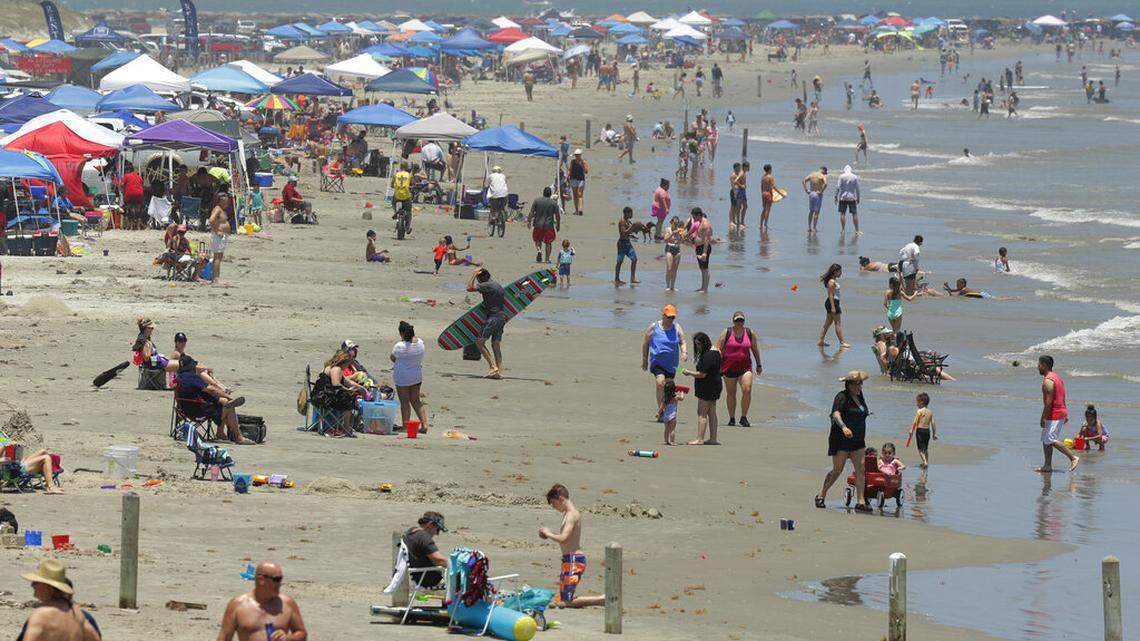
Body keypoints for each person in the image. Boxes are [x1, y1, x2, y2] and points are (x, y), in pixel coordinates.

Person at [167, 333, 251, 444]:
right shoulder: (192, 377)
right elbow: (212, 390)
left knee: (224, 402)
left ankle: (221, 432)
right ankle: (238, 437)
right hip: (197, 410)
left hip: (185, 407)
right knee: (228, 406)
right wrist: (229, 397)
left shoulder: (182, 378)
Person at [540, 484, 605, 607]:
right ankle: (600, 600)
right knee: (563, 599)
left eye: (554, 503)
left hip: (574, 560)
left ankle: (601, 600)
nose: (554, 507)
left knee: (566, 602)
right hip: (568, 560)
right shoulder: (568, 514)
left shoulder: (571, 515)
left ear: (560, 499)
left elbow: (564, 538)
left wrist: (548, 534)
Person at [817, 371, 872, 511]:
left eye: (861, 383)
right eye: (858, 384)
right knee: (837, 470)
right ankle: (821, 495)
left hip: (858, 439)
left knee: (861, 469)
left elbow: (861, 412)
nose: (860, 387)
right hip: (841, 438)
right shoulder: (841, 397)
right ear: (849, 385)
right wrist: (844, 427)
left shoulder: (860, 396)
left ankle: (860, 501)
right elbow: (836, 414)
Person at [217, 561, 307, 641]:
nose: (280, 583)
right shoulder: (238, 605)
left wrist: (288, 638)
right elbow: (224, 637)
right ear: (261, 580)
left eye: (281, 579)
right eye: (276, 579)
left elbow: (302, 634)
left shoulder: (287, 603)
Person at [18, 559, 102, 641]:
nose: (32, 585)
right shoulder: (78, 614)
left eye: (36, 582)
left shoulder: (41, 615)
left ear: (47, 586)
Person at [717, 312, 762, 428]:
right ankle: (732, 418)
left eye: (741, 320)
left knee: (747, 390)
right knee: (731, 393)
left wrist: (759, 364)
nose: (739, 322)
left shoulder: (749, 333)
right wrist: (716, 364)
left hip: (745, 367)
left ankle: (743, 417)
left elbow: (755, 349)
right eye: (737, 320)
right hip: (728, 367)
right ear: (733, 321)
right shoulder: (726, 332)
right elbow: (718, 348)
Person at [642, 305, 687, 417]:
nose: (670, 319)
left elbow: (682, 341)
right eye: (668, 317)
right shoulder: (654, 326)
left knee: (668, 388)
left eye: (672, 317)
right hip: (657, 362)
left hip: (671, 364)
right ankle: (661, 411)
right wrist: (644, 360)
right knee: (660, 383)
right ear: (663, 315)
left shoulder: (677, 327)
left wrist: (684, 352)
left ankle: (665, 411)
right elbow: (645, 342)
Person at [1037, 355, 1079, 473]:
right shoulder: (1057, 378)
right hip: (1059, 411)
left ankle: (1073, 457)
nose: (1037, 367)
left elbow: (1048, 403)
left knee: (1050, 438)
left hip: (1054, 412)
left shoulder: (1048, 381)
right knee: (1045, 439)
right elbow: (1062, 396)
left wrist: (1042, 418)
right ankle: (1047, 465)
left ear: (1044, 365)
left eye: (1039, 365)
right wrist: (1065, 413)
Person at [682, 332, 721, 445]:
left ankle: (700, 439)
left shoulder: (708, 355)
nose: (697, 346)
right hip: (715, 385)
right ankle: (713, 439)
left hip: (707, 386)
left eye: (699, 344)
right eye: (696, 344)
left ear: (705, 342)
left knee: (702, 412)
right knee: (712, 411)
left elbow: (702, 374)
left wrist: (689, 372)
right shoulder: (717, 352)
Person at [467, 268, 506, 379]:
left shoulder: (486, 285)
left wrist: (474, 275)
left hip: (493, 318)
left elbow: (469, 288)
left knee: (479, 342)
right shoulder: (497, 285)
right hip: (502, 317)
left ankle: (493, 367)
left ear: (481, 278)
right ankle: (499, 371)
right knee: (496, 344)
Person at [391, 321, 427, 432]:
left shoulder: (400, 346)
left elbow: (393, 358)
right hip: (416, 375)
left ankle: (405, 426)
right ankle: (424, 425)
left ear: (402, 333)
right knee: (416, 400)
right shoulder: (420, 343)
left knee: (405, 401)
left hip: (403, 376)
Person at [402, 512, 449, 589]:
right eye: (437, 529)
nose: (437, 534)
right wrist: (457, 565)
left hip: (416, 576)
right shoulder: (424, 537)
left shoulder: (411, 532)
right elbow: (438, 560)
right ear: (430, 524)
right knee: (463, 579)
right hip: (429, 581)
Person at [818, 263, 850, 348]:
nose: (841, 273)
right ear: (835, 272)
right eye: (840, 271)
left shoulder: (833, 280)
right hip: (833, 303)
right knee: (837, 323)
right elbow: (830, 295)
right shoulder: (832, 282)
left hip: (832, 302)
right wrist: (833, 307)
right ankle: (842, 342)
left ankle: (821, 341)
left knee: (828, 323)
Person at [527, 187, 561, 263]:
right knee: (548, 242)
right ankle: (547, 259)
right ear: (550, 194)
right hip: (548, 225)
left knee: (537, 240)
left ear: (543, 193)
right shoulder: (553, 203)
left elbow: (531, 212)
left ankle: (539, 250)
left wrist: (529, 221)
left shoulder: (537, 201)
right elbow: (557, 216)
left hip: (538, 224)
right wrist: (558, 225)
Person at [207, 193, 231, 285]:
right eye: (225, 201)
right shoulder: (217, 209)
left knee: (218, 257)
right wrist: (217, 231)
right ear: (220, 200)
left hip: (221, 235)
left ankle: (215, 278)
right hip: (218, 236)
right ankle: (215, 279)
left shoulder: (221, 209)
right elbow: (211, 220)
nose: (227, 203)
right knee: (217, 257)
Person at [614, 206, 638, 285]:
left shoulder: (628, 221)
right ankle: (617, 279)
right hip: (622, 244)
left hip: (628, 243)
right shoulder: (622, 221)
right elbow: (623, 233)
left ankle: (632, 278)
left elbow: (629, 233)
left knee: (634, 259)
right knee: (619, 261)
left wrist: (632, 235)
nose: (632, 214)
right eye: (631, 213)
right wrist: (632, 227)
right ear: (627, 213)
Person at [691, 207, 712, 293]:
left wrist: (704, 253)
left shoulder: (705, 224)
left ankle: (705, 288)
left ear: (699, 215)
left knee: (705, 268)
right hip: (699, 247)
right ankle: (702, 287)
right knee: (702, 268)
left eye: (694, 217)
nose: (693, 219)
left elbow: (707, 239)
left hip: (704, 248)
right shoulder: (699, 222)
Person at [912, 392, 936, 468]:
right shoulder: (930, 412)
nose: (916, 404)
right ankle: (926, 462)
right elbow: (933, 423)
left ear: (921, 402)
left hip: (920, 430)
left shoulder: (919, 411)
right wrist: (934, 433)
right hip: (927, 431)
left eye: (917, 402)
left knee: (919, 449)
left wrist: (911, 430)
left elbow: (915, 421)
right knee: (925, 448)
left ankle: (925, 462)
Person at [834, 165, 860, 235]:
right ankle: (857, 230)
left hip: (843, 197)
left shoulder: (841, 176)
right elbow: (857, 188)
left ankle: (843, 230)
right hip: (852, 197)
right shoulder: (854, 177)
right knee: (854, 214)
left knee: (842, 213)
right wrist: (858, 197)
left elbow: (838, 187)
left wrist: (836, 196)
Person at [942, 278, 1020, 300]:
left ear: (962, 284)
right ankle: (1014, 297)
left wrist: (948, 291)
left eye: (958, 284)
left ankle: (1014, 298)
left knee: (999, 299)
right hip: (982, 293)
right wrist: (948, 287)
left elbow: (953, 296)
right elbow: (953, 291)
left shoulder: (963, 290)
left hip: (982, 295)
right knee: (998, 297)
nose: (956, 285)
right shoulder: (963, 288)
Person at [802, 166, 828, 233]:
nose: (825, 174)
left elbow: (803, 181)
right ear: (824, 171)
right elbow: (825, 184)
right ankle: (814, 228)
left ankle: (809, 227)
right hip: (817, 194)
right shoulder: (822, 176)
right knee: (816, 212)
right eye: (825, 173)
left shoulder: (812, 174)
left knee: (811, 211)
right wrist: (821, 191)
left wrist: (806, 190)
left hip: (811, 194)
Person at [658, 380, 684, 446]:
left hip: (666, 416)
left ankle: (666, 441)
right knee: (672, 429)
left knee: (666, 429)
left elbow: (661, 408)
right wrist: (682, 392)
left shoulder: (664, 398)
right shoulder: (675, 397)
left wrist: (658, 413)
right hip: (673, 416)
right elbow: (682, 398)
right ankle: (672, 441)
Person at [121, 163, 146, 230]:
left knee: (129, 209)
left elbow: (122, 185)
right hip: (139, 194)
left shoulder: (126, 176)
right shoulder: (139, 176)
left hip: (129, 194)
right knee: (138, 209)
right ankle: (138, 226)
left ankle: (131, 225)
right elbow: (142, 185)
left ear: (128, 170)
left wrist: (123, 192)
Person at [390, 162, 412, 234]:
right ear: (407, 168)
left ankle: (395, 212)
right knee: (409, 212)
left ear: (400, 167)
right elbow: (412, 184)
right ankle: (408, 227)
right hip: (406, 196)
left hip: (397, 196)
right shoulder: (409, 175)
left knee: (393, 202)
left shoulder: (396, 174)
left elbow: (391, 185)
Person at [662, 217, 684, 292]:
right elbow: (665, 239)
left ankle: (672, 286)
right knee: (669, 268)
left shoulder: (680, 230)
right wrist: (672, 234)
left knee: (675, 270)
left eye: (677, 223)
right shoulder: (668, 229)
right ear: (671, 222)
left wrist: (680, 235)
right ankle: (667, 286)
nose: (676, 225)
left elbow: (682, 241)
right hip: (669, 249)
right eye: (674, 223)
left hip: (677, 249)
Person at [568, 150, 588, 216]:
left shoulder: (584, 162)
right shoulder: (572, 162)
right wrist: (567, 177)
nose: (577, 156)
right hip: (573, 179)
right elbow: (570, 170)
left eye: (578, 155)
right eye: (576, 155)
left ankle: (580, 210)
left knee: (580, 194)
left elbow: (586, 171)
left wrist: (582, 165)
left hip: (581, 180)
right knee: (575, 195)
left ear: (580, 155)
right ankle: (576, 210)